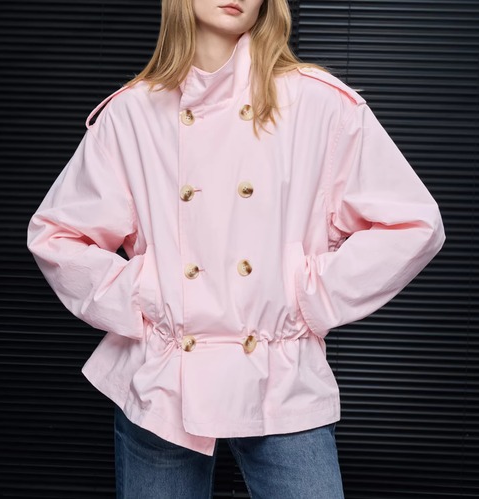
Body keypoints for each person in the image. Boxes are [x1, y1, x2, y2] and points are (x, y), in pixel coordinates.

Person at [27, 0, 445, 497]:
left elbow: (414, 223)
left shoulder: (320, 104)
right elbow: (57, 236)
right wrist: (146, 293)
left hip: (281, 376)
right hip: (163, 379)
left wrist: (308, 294)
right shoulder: (132, 113)